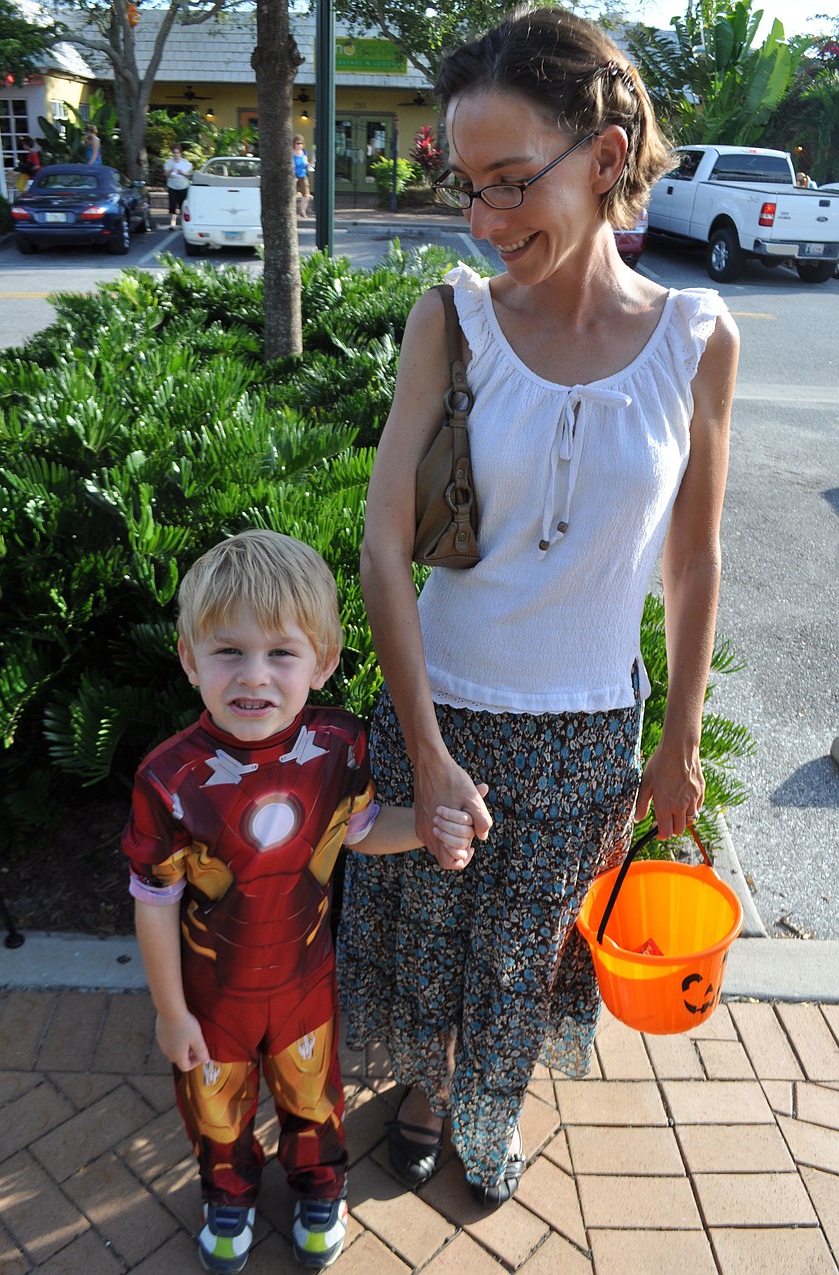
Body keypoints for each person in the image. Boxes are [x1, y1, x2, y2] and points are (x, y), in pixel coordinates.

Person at [338, 4, 739, 1210]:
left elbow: (694, 560)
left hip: (587, 733)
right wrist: (423, 751)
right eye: (468, 188)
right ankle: (424, 1093)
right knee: (429, 936)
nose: (485, 220)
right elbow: (382, 543)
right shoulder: (452, 321)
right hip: (444, 706)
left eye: (511, 182)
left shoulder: (695, 337)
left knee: (527, 952)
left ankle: (488, 1107)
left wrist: (677, 740)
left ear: (605, 158)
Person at [122, 529, 481, 1273]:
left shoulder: (338, 746)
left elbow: (360, 830)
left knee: (313, 1098)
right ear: (189, 658)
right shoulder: (168, 779)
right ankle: (227, 1192)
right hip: (212, 996)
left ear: (323, 660)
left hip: (303, 986)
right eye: (228, 650)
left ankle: (321, 1186)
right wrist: (169, 1010)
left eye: (281, 652)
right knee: (214, 1107)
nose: (254, 675)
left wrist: (423, 828)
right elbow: (154, 900)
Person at [164, 142, 193, 228]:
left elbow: (190, 174)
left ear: (180, 153)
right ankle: (172, 224)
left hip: (183, 186)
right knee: (172, 204)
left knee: (183, 205)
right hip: (172, 186)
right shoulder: (169, 162)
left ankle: (183, 223)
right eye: (174, 153)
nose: (176, 154)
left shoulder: (185, 162)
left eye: (177, 152)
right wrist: (172, 169)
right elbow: (166, 174)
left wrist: (183, 173)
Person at [293, 135, 313, 217]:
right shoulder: (291, 153)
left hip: (302, 174)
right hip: (293, 175)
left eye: (301, 143)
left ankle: (302, 211)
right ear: (294, 144)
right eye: (297, 143)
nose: (299, 145)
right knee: (292, 194)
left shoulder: (304, 152)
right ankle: (292, 211)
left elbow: (306, 163)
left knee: (306, 195)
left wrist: (310, 165)